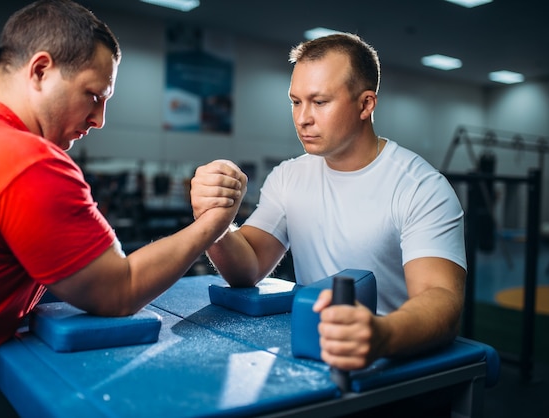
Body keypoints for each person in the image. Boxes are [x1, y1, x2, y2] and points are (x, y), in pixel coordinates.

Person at [0, 1, 246, 416]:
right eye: (93, 95)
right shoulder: (26, 162)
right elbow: (119, 290)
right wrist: (214, 221)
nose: (99, 118)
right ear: (40, 71)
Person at [191, 33, 466, 372]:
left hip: (389, 364)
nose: (302, 118)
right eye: (295, 101)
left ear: (366, 104)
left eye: (319, 102)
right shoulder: (289, 176)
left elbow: (442, 299)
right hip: (312, 354)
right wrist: (214, 221)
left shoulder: (420, 188)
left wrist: (381, 334)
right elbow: (247, 268)